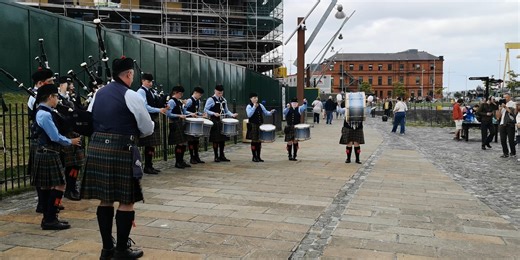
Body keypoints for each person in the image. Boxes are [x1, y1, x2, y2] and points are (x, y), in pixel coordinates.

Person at [81, 56, 154, 259]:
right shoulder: (131, 95)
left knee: (105, 199)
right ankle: (121, 250)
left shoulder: (98, 94)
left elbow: (89, 118)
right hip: (121, 149)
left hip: (96, 148)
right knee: (126, 200)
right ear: (129, 74)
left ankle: (107, 249)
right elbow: (147, 128)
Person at [30, 84, 81, 230]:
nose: (57, 99)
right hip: (48, 152)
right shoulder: (45, 114)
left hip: (47, 153)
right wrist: (70, 141)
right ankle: (50, 217)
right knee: (60, 185)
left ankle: (49, 218)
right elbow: (54, 136)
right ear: (50, 97)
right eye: (56, 96)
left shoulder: (45, 111)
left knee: (47, 186)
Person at [27, 68, 56, 214]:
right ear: (40, 83)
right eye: (49, 81)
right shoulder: (35, 98)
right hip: (40, 139)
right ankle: (43, 204)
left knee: (47, 178)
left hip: (45, 138)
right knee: (41, 177)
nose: (52, 84)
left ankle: (48, 204)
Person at [57, 76, 84, 201]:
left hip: (75, 133)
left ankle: (72, 187)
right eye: (68, 84)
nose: (72, 86)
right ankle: (69, 189)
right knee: (70, 163)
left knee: (77, 164)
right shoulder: (58, 99)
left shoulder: (71, 98)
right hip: (66, 134)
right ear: (62, 85)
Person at [136, 73, 168, 174]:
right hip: (147, 118)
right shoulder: (141, 91)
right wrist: (159, 110)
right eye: (148, 82)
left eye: (151, 82)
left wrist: (163, 105)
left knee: (152, 144)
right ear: (143, 81)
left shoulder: (151, 91)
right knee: (149, 144)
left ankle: (150, 165)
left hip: (153, 118)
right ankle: (147, 166)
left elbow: (156, 102)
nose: (150, 84)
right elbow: (144, 106)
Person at [204, 84, 238, 162]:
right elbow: (206, 110)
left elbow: (226, 111)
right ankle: (216, 156)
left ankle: (222, 155)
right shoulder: (211, 99)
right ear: (215, 91)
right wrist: (213, 113)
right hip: (214, 121)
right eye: (219, 92)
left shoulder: (223, 100)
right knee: (215, 139)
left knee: (222, 139)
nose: (220, 94)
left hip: (222, 121)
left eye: (221, 93)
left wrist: (232, 114)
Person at [167, 85, 196, 169]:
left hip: (179, 122)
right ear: (175, 93)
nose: (181, 95)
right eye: (180, 93)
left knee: (183, 142)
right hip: (174, 123)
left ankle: (181, 160)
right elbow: (168, 114)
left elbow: (184, 112)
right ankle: (178, 162)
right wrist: (179, 116)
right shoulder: (172, 101)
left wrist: (191, 114)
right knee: (179, 143)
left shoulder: (179, 101)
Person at [246, 93, 275, 162]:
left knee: (259, 141)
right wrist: (254, 107)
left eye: (256, 98)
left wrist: (271, 112)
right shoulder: (249, 106)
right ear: (250, 99)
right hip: (253, 124)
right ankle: (254, 156)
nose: (256, 99)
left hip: (260, 125)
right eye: (254, 98)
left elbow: (266, 113)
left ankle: (258, 156)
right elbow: (249, 115)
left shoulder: (261, 105)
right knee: (254, 141)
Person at [184, 87, 206, 164]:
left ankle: (196, 156)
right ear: (195, 93)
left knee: (196, 140)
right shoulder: (190, 100)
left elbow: (196, 111)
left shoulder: (198, 101)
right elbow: (184, 110)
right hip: (190, 122)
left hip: (195, 121)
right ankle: (192, 157)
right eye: (199, 95)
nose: (200, 97)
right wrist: (191, 114)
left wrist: (201, 114)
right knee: (191, 140)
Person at [496, 94, 517, 158]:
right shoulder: (501, 105)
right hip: (502, 123)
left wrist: (505, 107)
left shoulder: (513, 103)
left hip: (509, 123)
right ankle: (505, 153)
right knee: (503, 139)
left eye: (506, 97)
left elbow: (513, 113)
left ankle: (513, 152)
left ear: (509, 97)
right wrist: (499, 109)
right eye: (504, 98)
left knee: (511, 139)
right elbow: (498, 117)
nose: (505, 99)